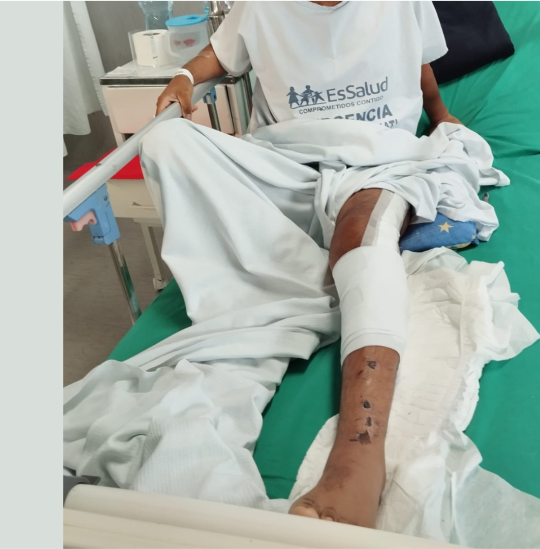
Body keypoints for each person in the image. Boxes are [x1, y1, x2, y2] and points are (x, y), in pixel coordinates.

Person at [153, 0, 460, 528]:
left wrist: (441, 118)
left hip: (378, 159)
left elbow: (419, 65)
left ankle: (359, 457)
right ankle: (303, 274)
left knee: (363, 228)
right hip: (287, 160)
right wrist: (182, 78)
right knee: (165, 140)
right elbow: (219, 56)